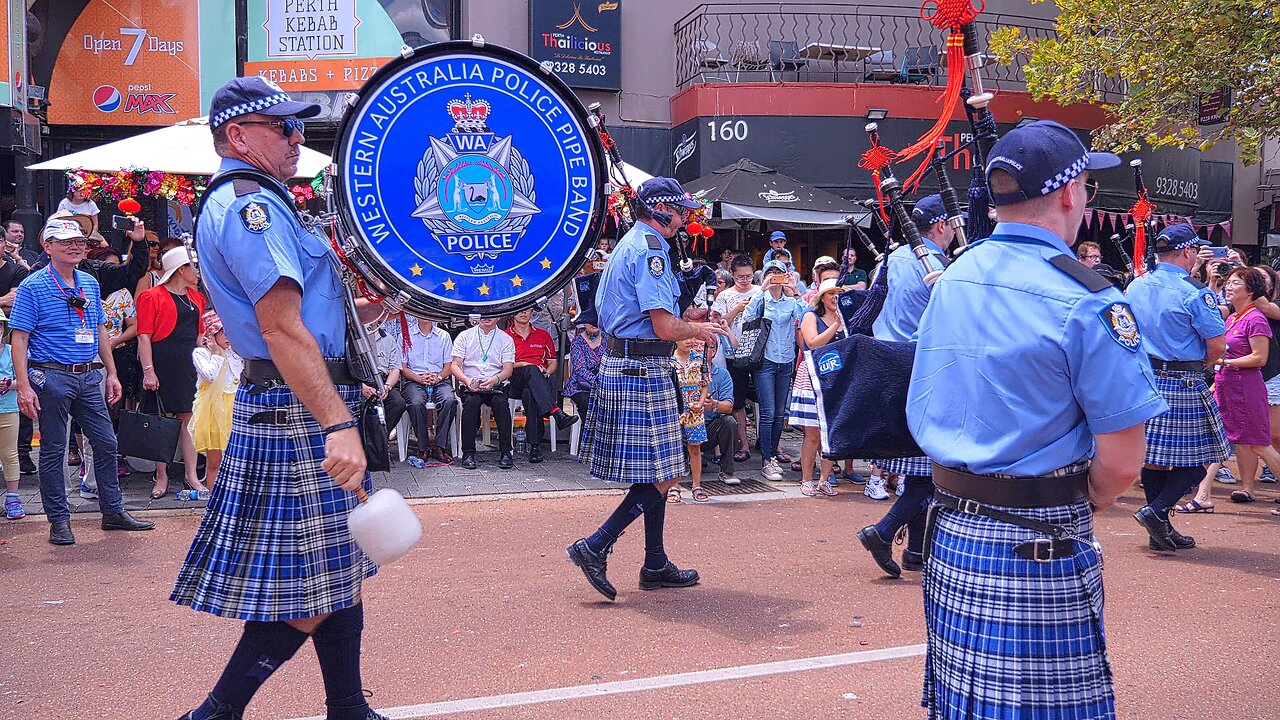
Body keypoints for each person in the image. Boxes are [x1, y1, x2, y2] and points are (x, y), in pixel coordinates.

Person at [907, 120, 1167, 719]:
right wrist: (1090, 496)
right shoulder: (1090, 298)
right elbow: (1124, 462)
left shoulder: (955, 276)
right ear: (1072, 193)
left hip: (951, 530)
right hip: (1037, 535)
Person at [170, 76, 387, 720]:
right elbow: (280, 328)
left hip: (301, 399)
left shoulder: (270, 203)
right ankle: (213, 713)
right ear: (238, 135)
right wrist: (336, 422)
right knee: (310, 592)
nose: (298, 138)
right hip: (298, 411)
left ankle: (347, 706)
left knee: (337, 568)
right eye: (283, 127)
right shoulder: (247, 207)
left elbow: (314, 318)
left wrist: (386, 303)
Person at [567, 176, 726, 602]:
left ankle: (654, 562)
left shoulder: (631, 243)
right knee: (667, 472)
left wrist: (690, 313)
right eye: (680, 210)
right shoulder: (651, 249)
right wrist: (700, 328)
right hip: (641, 367)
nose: (685, 218)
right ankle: (595, 544)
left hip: (631, 364)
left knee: (657, 471)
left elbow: (654, 314)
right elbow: (664, 327)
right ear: (661, 210)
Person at [10, 217, 155, 545]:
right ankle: (58, 520)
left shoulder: (89, 281)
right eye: (65, 242)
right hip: (50, 375)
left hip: (88, 374)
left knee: (106, 442)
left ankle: (113, 511)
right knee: (53, 449)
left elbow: (100, 329)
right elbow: (19, 338)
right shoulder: (34, 285)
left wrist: (112, 373)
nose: (75, 246)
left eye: (79, 241)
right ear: (47, 247)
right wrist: (24, 384)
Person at [858, 194, 956, 575]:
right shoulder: (934, 264)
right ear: (941, 225)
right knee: (932, 466)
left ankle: (916, 550)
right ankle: (883, 532)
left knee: (917, 464)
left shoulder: (890, 258)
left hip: (888, 364)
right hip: (923, 365)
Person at [1123, 223, 1230, 550]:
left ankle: (1160, 532)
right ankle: (1155, 512)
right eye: (1195, 250)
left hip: (1145, 378)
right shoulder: (1195, 292)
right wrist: (1203, 368)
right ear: (1187, 252)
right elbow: (1217, 346)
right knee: (1210, 453)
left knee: (1153, 459)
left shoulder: (1136, 285)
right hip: (1184, 380)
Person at [137, 247, 208, 499]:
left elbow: (200, 334)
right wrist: (149, 371)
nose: (197, 272)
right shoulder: (151, 296)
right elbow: (143, 337)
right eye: (193, 266)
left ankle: (191, 475)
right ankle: (162, 476)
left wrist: (206, 362)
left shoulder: (196, 297)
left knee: (190, 421)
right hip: (163, 361)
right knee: (163, 421)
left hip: (190, 362)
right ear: (181, 269)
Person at [1215, 266, 1280, 506]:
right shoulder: (1234, 317)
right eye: (1228, 282)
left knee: (1261, 444)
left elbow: (1259, 358)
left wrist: (1224, 361)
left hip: (1247, 386)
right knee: (1244, 442)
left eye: (1235, 283)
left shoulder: (1255, 318)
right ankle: (1214, 493)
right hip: (1230, 385)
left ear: (1251, 290)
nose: (1229, 287)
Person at [743, 260, 806, 481]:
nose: (776, 276)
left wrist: (795, 290)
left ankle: (772, 455)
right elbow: (748, 317)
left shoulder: (790, 301)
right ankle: (766, 460)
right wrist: (762, 290)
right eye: (771, 273)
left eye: (779, 273)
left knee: (780, 413)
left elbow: (806, 317)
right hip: (766, 361)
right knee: (768, 413)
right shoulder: (762, 300)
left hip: (786, 360)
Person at [505, 308, 578, 463]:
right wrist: (527, 364)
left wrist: (546, 373)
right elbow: (504, 365)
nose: (523, 313)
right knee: (531, 370)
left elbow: (553, 363)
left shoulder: (543, 335)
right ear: (513, 314)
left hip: (537, 380)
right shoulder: (505, 336)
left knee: (530, 393)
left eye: (527, 311)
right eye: (519, 311)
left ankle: (535, 447)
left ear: (532, 313)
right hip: (514, 378)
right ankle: (555, 411)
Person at [792, 278, 843, 497]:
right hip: (812, 375)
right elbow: (812, 343)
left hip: (837, 377)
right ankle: (806, 479)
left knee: (830, 434)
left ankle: (824, 479)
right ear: (822, 296)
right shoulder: (810, 315)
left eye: (839, 293)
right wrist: (835, 325)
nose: (835, 297)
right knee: (812, 433)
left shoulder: (846, 318)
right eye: (831, 293)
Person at [711, 255, 760, 463]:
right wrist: (737, 309)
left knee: (762, 401)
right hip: (733, 354)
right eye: (740, 277)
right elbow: (720, 323)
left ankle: (768, 445)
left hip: (759, 352)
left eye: (748, 276)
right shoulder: (724, 296)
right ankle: (744, 444)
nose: (744, 280)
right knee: (738, 401)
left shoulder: (760, 293)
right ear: (733, 275)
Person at [450, 316, 515, 470]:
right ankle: (468, 452)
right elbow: (455, 365)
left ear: (499, 316)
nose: (486, 318)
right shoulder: (465, 336)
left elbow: (508, 369)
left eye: (491, 314)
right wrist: (467, 380)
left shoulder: (505, 339)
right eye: (483, 315)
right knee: (471, 404)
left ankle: (506, 452)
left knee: (501, 404)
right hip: (471, 383)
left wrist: (495, 379)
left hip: (496, 384)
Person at [190, 311, 241, 488]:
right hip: (212, 412)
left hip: (235, 407)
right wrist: (217, 353)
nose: (228, 337)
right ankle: (213, 501)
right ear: (212, 334)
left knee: (236, 460)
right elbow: (210, 375)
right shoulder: (201, 354)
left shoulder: (236, 353)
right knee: (215, 461)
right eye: (223, 332)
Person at [401, 316, 457, 464]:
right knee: (415, 402)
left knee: (449, 400)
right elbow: (403, 367)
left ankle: (440, 446)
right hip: (414, 379)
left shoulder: (444, 336)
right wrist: (419, 378)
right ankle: (423, 447)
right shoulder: (405, 335)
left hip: (439, 379)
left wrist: (438, 378)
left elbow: (448, 366)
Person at [673, 331, 710, 503]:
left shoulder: (699, 359)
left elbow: (704, 384)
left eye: (691, 337)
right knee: (675, 449)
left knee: (695, 448)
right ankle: (674, 486)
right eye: (684, 337)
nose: (689, 341)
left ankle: (697, 485)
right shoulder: (669, 361)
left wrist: (701, 403)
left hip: (695, 412)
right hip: (675, 411)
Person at [700, 338, 739, 484]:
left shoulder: (722, 375)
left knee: (729, 422)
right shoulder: (683, 371)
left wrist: (713, 404)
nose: (700, 351)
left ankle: (727, 471)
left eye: (705, 348)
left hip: (708, 428)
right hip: (685, 426)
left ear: (714, 351)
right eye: (697, 347)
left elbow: (729, 407)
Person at [0, 309, 22, 519]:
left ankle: (13, 497)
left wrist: (9, 384)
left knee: (9, 453)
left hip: (8, 409)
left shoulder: (11, 350)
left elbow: (23, 379)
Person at [562, 318, 604, 416]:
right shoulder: (577, 342)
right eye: (589, 320)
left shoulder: (608, 340)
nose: (593, 324)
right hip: (580, 386)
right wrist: (598, 382)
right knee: (587, 402)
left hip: (605, 383)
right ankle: (587, 430)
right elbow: (580, 369)